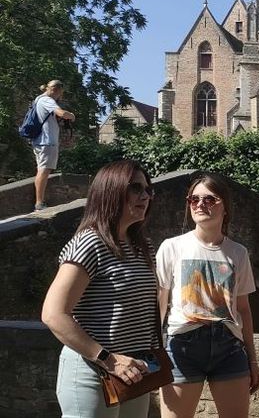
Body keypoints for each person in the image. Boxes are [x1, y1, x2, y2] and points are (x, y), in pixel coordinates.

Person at [41, 159, 158, 418]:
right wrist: (108, 359)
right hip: (92, 373)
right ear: (111, 191)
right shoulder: (90, 242)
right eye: (136, 188)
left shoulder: (142, 246)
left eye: (148, 189)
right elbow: (53, 314)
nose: (145, 196)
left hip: (135, 370)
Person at [156, 172, 259, 418]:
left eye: (210, 199)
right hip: (182, 345)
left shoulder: (238, 252)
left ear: (225, 207)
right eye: (194, 199)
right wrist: (154, 350)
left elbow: (243, 309)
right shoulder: (172, 247)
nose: (200, 204)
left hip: (229, 346)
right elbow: (159, 305)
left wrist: (253, 360)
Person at [30, 80, 76, 210]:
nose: (59, 97)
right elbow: (62, 113)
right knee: (43, 170)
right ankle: (39, 203)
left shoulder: (38, 99)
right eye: (60, 93)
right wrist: (71, 116)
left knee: (43, 169)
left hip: (41, 140)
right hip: (47, 141)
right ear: (56, 90)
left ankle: (39, 201)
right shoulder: (47, 100)